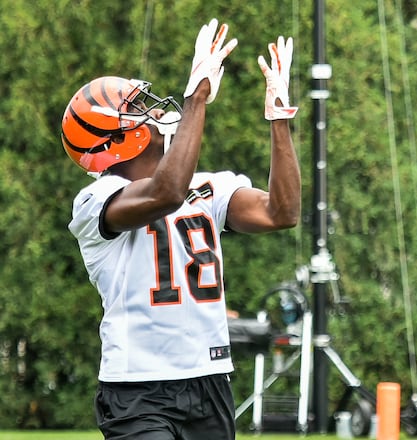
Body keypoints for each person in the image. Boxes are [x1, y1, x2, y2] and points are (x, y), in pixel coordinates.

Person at [62, 18, 301, 440]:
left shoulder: (209, 186)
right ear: (115, 139)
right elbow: (165, 193)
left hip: (210, 380)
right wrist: (197, 98)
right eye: (138, 110)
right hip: (138, 388)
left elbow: (282, 212)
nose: (155, 112)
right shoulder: (95, 201)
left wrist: (279, 120)